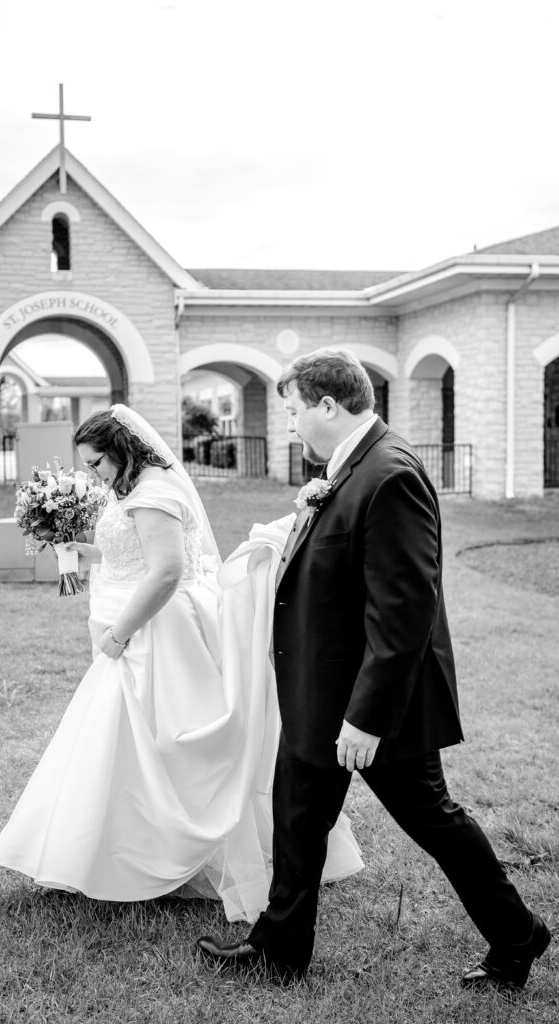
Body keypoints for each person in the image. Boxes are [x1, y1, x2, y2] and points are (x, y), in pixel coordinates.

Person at [197, 349, 551, 987]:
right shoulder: (346, 469)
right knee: (297, 816)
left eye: (296, 412)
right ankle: (279, 948)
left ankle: (518, 935)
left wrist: (365, 720)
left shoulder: (390, 475)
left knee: (432, 820)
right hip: (320, 695)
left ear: (329, 406)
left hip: (375, 709)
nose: (292, 426)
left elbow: (404, 613)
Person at [0, 404, 363, 923]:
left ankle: (147, 857)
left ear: (121, 450)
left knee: (158, 740)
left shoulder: (155, 492)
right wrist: (86, 552)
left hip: (158, 634)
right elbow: (133, 556)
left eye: (97, 463)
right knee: (125, 742)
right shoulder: (143, 488)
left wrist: (120, 633)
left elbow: (165, 573)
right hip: (148, 627)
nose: (94, 475)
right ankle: (111, 850)